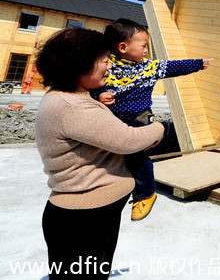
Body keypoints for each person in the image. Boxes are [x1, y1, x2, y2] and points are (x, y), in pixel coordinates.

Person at [35, 28, 164, 279]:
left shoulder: (71, 96)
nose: (109, 67)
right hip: (84, 220)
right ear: (81, 64)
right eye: (104, 60)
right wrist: (159, 127)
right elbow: (128, 140)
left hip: (91, 214)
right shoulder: (72, 106)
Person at [93, 18, 211, 221]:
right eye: (144, 45)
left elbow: (175, 67)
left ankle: (145, 194)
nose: (147, 50)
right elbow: (90, 87)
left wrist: (198, 64)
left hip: (140, 118)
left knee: (137, 157)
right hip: (112, 119)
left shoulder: (149, 67)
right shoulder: (105, 68)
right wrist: (99, 96)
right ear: (123, 47)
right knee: (109, 155)